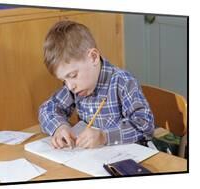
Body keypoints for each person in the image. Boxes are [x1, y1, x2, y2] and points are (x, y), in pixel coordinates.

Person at [39, 20, 154, 149]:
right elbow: (47, 109)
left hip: (130, 158)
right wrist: (59, 127)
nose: (70, 86)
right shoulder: (76, 87)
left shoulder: (122, 82)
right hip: (94, 159)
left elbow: (145, 125)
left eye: (72, 76)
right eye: (64, 80)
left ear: (93, 57)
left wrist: (105, 136)